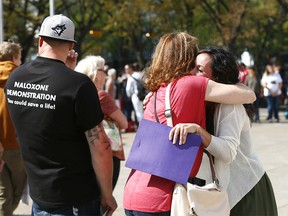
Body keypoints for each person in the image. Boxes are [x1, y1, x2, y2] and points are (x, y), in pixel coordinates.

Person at [123, 31, 256, 216]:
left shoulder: (156, 91)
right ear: (187, 58)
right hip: (162, 199)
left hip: (132, 194)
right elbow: (249, 95)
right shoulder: (192, 84)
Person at [4, 14, 117, 215]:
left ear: (40, 40)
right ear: (71, 45)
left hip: (40, 198)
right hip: (76, 200)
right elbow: (101, 147)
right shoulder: (79, 85)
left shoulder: (15, 78)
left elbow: (43, 118)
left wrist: (67, 72)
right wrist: (107, 194)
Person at [169, 46, 278, 216]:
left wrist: (199, 131)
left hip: (246, 190)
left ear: (218, 77)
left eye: (199, 70)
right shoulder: (204, 102)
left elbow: (227, 152)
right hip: (224, 193)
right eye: (193, 67)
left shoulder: (229, 105)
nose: (192, 74)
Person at [75, 55, 128, 190]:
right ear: (96, 73)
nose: (105, 74)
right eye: (103, 70)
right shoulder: (101, 95)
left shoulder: (79, 93)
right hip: (109, 153)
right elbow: (124, 123)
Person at [0, 41, 27, 215]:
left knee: (3, 194)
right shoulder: (22, 78)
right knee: (17, 192)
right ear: (14, 57)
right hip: (18, 145)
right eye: (20, 58)